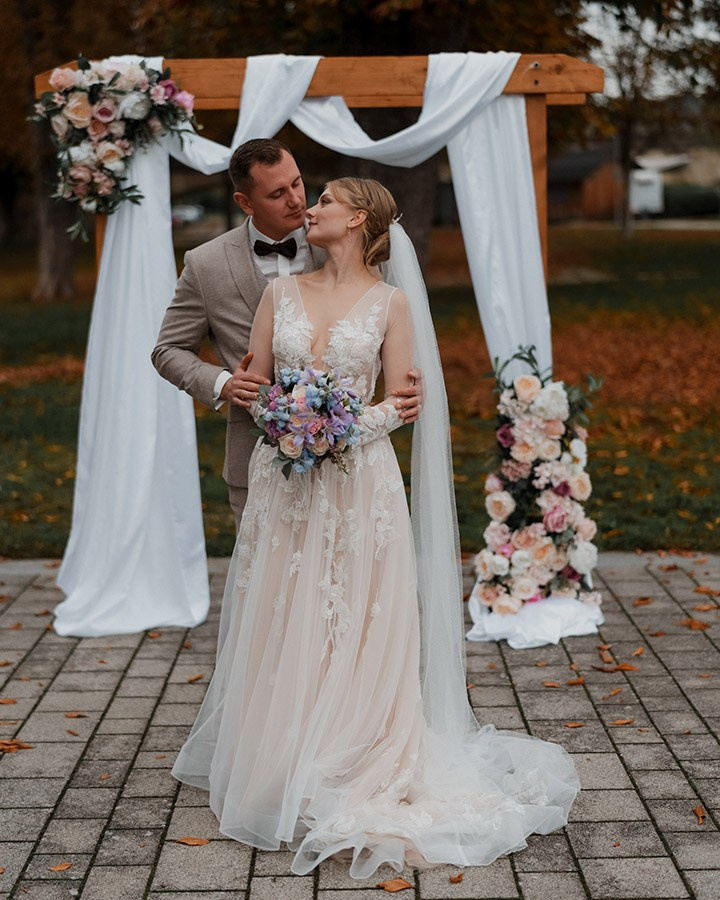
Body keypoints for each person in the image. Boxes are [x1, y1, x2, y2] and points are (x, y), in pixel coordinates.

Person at [171, 177, 579, 878]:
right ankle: (283, 752)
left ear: (357, 218)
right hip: (286, 485)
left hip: (360, 486)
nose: (311, 208)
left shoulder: (392, 304)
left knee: (357, 615)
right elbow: (261, 386)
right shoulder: (279, 295)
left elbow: (401, 403)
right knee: (285, 612)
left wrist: (335, 429)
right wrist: (279, 414)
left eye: (324, 200)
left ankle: (357, 750)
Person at [152, 139, 420, 528]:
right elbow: (168, 349)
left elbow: (381, 328)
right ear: (245, 202)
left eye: (297, 184)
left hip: (351, 467)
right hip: (257, 458)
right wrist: (224, 384)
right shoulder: (205, 264)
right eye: (278, 193)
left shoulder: (338, 244)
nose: (297, 200)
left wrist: (406, 387)